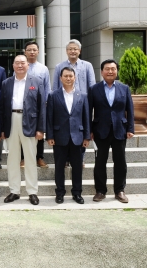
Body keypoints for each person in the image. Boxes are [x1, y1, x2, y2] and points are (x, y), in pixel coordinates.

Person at [0, 55, 46, 206]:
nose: (20, 65)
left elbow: (42, 107)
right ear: (13, 65)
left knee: (30, 158)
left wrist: (41, 128)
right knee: (12, 158)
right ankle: (14, 191)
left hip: (30, 123)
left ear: (28, 65)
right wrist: (1, 129)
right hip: (11, 121)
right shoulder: (6, 83)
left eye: (22, 63)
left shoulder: (36, 82)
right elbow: (1, 108)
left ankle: (32, 191)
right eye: (17, 63)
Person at [89, 59, 134, 203]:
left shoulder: (124, 88)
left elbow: (130, 110)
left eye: (113, 69)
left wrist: (131, 128)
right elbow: (88, 111)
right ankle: (100, 191)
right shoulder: (94, 89)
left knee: (120, 162)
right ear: (102, 72)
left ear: (116, 71)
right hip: (100, 131)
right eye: (107, 69)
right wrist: (89, 130)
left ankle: (119, 190)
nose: (110, 71)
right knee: (100, 162)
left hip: (120, 130)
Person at [46, 67, 90, 205]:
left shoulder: (82, 96)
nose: (68, 78)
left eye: (71, 76)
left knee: (77, 167)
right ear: (60, 78)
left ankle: (77, 193)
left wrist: (87, 136)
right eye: (65, 76)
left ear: (75, 77)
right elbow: (49, 118)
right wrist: (50, 136)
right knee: (59, 167)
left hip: (78, 137)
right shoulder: (53, 95)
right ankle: (60, 193)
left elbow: (86, 117)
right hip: (59, 136)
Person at [52, 39, 96, 167]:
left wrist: (91, 104)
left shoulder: (87, 66)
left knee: (81, 131)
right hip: (63, 104)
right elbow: (55, 87)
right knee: (65, 129)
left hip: (82, 105)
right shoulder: (59, 66)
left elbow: (91, 86)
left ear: (79, 51)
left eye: (75, 49)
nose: (73, 51)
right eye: (70, 49)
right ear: (66, 51)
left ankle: (79, 158)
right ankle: (65, 159)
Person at [24, 41, 51, 169]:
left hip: (40, 105)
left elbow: (47, 88)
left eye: (34, 50)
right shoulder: (21, 66)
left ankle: (39, 157)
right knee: (24, 131)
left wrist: (46, 104)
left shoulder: (43, 69)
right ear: (25, 52)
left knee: (39, 131)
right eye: (29, 50)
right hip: (24, 106)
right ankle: (23, 158)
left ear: (38, 52)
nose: (32, 52)